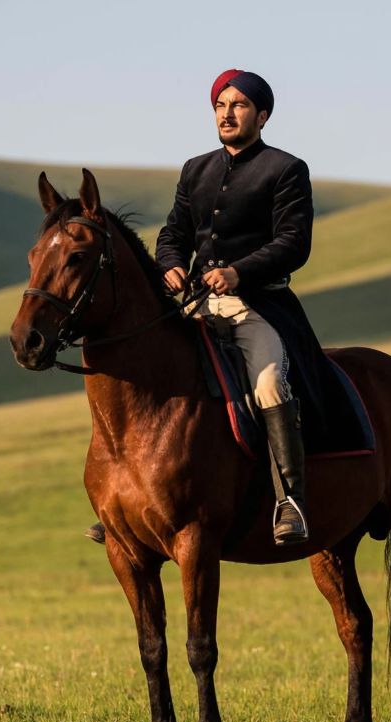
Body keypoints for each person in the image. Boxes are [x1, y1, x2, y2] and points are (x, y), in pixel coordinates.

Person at [87, 68, 319, 547]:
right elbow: (173, 232)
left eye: (238, 105)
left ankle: (290, 499)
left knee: (271, 383)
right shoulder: (196, 168)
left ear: (262, 115)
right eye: (220, 105)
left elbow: (294, 242)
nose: (227, 114)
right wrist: (169, 265)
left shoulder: (285, 169)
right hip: (198, 305)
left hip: (259, 304)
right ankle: (127, 498)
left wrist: (239, 272)